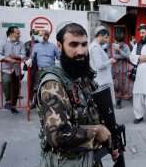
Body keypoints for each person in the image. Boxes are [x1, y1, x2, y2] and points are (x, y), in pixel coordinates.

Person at [36, 22, 118, 166]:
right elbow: (57, 136)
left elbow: (94, 113)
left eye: (84, 44)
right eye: (73, 45)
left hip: (89, 158)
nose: (81, 51)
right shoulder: (53, 84)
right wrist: (97, 132)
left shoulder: (82, 77)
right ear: (60, 46)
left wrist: (110, 138)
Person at [0, 26, 25, 115]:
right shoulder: (2, 42)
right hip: (6, 69)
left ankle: (13, 107)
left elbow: (23, 55)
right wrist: (7, 58)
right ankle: (8, 101)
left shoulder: (21, 44)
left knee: (16, 89)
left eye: (19, 33)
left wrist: (16, 56)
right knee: (7, 82)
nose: (19, 35)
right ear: (11, 34)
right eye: (17, 33)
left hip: (16, 70)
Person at [89, 26, 117, 107]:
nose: (107, 40)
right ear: (100, 36)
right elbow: (99, 65)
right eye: (106, 37)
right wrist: (110, 61)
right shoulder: (96, 48)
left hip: (102, 80)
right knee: (106, 108)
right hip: (102, 82)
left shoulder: (95, 46)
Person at [112, 36, 130, 109]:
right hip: (113, 69)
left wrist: (119, 50)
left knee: (121, 86)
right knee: (113, 84)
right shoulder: (113, 45)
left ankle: (119, 102)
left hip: (123, 70)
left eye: (119, 42)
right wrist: (123, 56)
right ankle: (115, 95)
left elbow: (128, 56)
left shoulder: (126, 46)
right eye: (116, 42)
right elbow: (114, 55)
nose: (117, 44)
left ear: (122, 42)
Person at [24, 29, 39, 101]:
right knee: (30, 83)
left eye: (37, 34)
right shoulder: (27, 44)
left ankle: (37, 99)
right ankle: (31, 99)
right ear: (31, 35)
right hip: (30, 65)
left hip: (38, 65)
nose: (36, 35)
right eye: (34, 34)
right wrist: (27, 60)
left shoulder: (40, 43)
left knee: (37, 83)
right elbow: (24, 54)